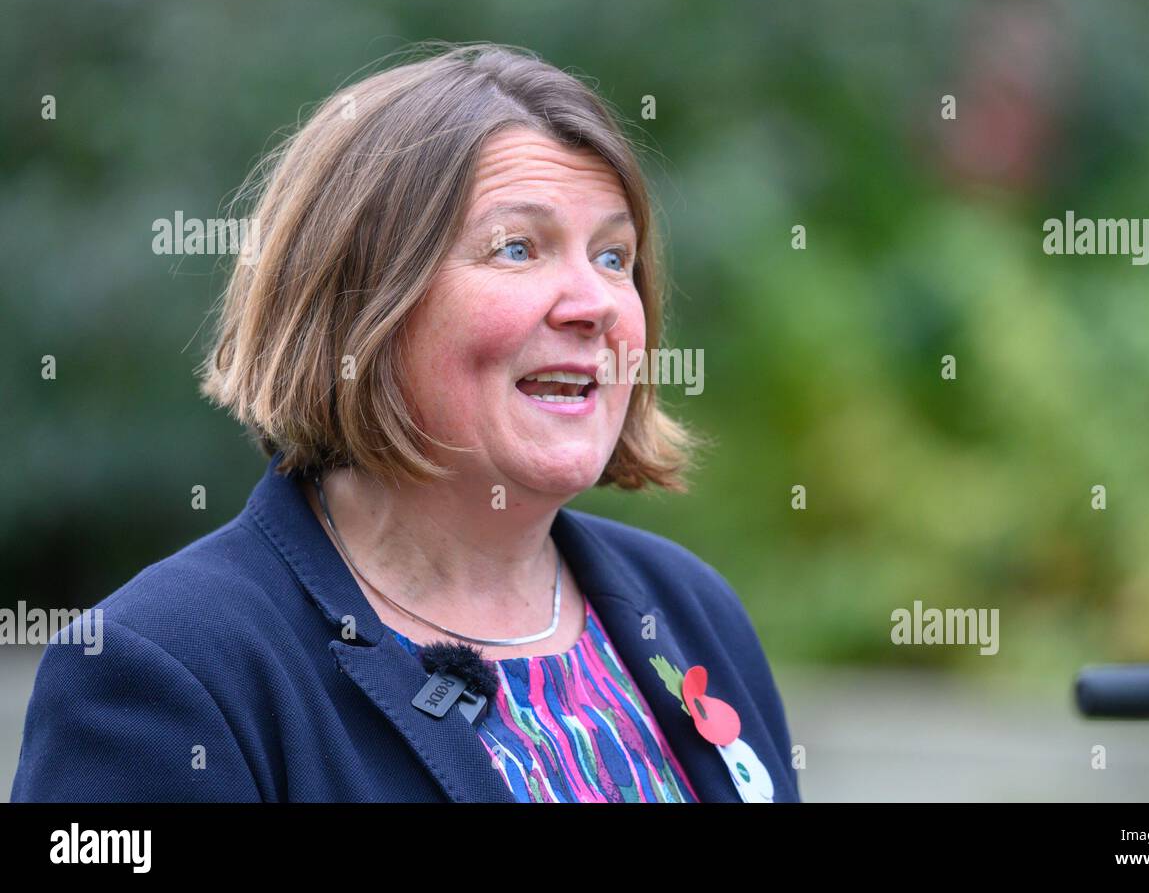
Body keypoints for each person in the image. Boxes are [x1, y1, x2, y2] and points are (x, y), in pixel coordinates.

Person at [9, 43, 799, 803]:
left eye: (614, 257)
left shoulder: (691, 609)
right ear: (363, 306)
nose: (594, 302)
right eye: (518, 248)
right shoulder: (164, 668)